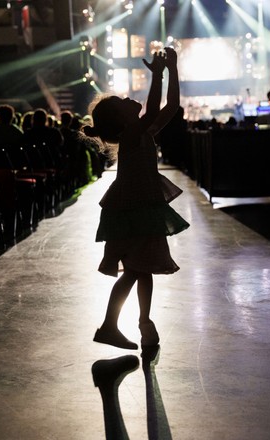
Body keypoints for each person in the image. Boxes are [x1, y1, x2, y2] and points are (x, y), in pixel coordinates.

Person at [83, 47, 189, 350]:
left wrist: (173, 70)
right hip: (134, 211)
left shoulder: (142, 133)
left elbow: (172, 105)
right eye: (124, 103)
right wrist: (158, 73)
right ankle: (117, 325)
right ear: (121, 120)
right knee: (135, 270)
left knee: (141, 269)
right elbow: (155, 109)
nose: (132, 100)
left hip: (137, 209)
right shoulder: (133, 135)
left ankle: (139, 323)